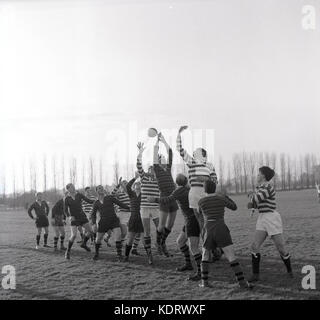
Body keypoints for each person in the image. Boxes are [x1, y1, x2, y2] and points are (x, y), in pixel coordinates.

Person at [198, 180, 252, 289]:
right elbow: (234, 207)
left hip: (208, 228)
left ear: (204, 190)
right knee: (231, 255)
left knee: (205, 254)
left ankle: (204, 282)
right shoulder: (220, 198)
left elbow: (199, 212)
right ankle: (242, 283)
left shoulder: (201, 201)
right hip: (220, 227)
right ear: (215, 188)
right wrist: (226, 197)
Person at [148, 173, 202, 280]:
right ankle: (189, 264)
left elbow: (167, 199)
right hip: (190, 220)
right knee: (180, 241)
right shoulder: (188, 189)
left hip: (192, 221)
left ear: (176, 182)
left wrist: (154, 199)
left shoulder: (179, 190)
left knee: (194, 248)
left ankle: (200, 273)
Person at [247, 166, 293, 282]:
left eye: (258, 174)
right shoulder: (260, 188)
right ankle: (255, 275)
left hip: (272, 218)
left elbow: (256, 199)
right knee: (254, 246)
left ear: (263, 175)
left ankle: (289, 270)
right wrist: (252, 204)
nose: (257, 176)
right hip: (262, 218)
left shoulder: (267, 186)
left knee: (281, 248)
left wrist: (251, 198)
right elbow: (255, 203)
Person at [153, 133, 178, 257]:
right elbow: (154, 154)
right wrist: (157, 143)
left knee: (170, 225)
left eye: (162, 157)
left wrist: (164, 140)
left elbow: (171, 152)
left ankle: (162, 242)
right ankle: (159, 244)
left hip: (173, 197)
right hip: (163, 198)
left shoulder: (168, 168)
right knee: (161, 225)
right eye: (159, 158)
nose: (162, 158)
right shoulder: (156, 170)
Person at [91, 185, 130, 262]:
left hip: (113, 220)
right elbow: (93, 214)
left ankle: (119, 255)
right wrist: (94, 223)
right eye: (99, 188)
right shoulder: (96, 203)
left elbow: (120, 204)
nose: (101, 189)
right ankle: (96, 253)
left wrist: (129, 207)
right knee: (98, 239)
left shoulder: (109, 198)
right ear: (97, 191)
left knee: (118, 236)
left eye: (102, 188)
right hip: (103, 222)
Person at [137, 142, 160, 262]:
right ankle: (149, 254)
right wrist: (140, 153)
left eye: (154, 168)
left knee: (160, 228)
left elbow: (160, 166)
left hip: (155, 208)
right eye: (150, 168)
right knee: (147, 231)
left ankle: (159, 245)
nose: (152, 169)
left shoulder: (158, 179)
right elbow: (138, 165)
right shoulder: (143, 177)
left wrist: (158, 157)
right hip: (145, 208)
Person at [64, 183, 95, 259]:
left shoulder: (79, 195)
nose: (73, 188)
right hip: (74, 218)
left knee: (91, 231)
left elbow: (88, 201)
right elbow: (65, 210)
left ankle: (84, 243)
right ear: (68, 189)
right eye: (71, 187)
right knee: (73, 235)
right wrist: (69, 216)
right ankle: (68, 251)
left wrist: (97, 200)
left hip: (82, 216)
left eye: (74, 186)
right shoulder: (66, 198)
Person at [123, 174, 144, 262]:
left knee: (142, 237)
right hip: (133, 217)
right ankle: (126, 256)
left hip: (142, 218)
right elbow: (128, 186)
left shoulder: (143, 195)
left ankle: (135, 250)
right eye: (136, 184)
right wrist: (135, 178)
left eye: (139, 184)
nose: (138, 186)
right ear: (134, 187)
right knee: (130, 238)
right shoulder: (131, 194)